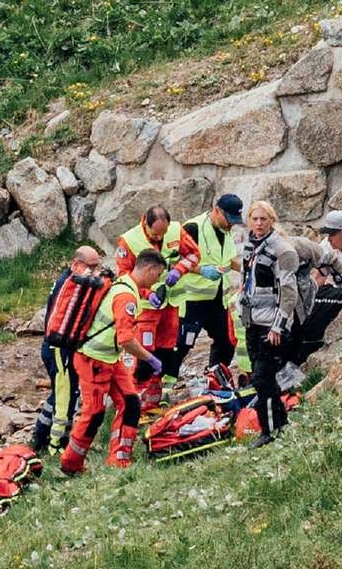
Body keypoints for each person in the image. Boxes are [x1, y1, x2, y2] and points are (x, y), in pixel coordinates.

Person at [60, 249, 168, 474]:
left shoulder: (126, 286)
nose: (156, 281)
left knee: (130, 404)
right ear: (149, 269)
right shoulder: (126, 296)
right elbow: (126, 339)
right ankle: (71, 463)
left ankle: (119, 459)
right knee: (94, 413)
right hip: (93, 360)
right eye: (157, 275)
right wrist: (149, 358)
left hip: (109, 358)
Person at [115, 206, 200, 411]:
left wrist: (179, 271)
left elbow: (194, 255)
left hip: (171, 305)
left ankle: (153, 401)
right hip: (146, 308)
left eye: (163, 233)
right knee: (144, 354)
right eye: (155, 234)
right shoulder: (129, 240)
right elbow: (123, 273)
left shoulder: (176, 231)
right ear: (145, 223)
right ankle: (132, 402)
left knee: (165, 352)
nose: (159, 237)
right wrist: (147, 293)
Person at [31, 245, 102, 457]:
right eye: (91, 266)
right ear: (76, 264)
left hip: (58, 347)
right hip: (58, 349)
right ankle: (56, 445)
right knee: (65, 398)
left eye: (97, 266)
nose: (94, 271)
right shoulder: (70, 285)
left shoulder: (71, 281)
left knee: (61, 394)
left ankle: (39, 437)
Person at [240, 201, 298, 449]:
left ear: (272, 220)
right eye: (255, 219)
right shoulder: (249, 244)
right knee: (261, 377)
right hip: (252, 320)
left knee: (263, 377)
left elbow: (288, 292)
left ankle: (270, 430)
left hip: (271, 324)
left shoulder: (282, 250)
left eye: (264, 219)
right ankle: (279, 424)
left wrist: (278, 326)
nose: (259, 224)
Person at [172, 194, 244, 377]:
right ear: (217, 210)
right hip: (193, 300)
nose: (231, 225)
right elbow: (175, 261)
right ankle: (165, 386)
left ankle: (215, 377)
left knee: (226, 341)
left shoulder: (226, 231)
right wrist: (202, 270)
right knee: (182, 344)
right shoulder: (193, 228)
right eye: (229, 220)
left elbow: (228, 259)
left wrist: (247, 268)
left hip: (218, 299)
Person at [286, 236, 342, 366]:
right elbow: (320, 275)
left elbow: (331, 263)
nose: (329, 239)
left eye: (333, 235)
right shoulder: (325, 244)